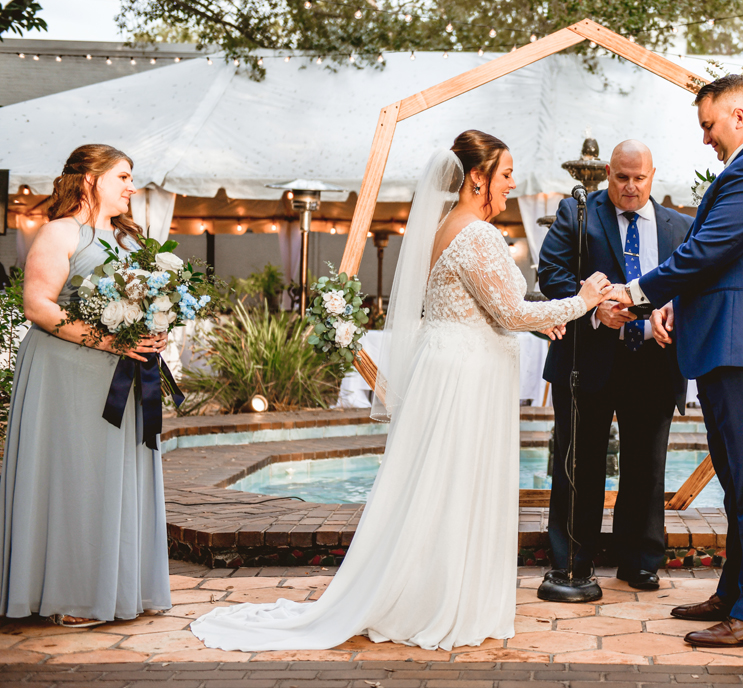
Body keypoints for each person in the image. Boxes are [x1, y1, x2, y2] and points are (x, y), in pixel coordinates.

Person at [191, 131, 613, 652]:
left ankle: (429, 587)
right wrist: (583, 299)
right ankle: (443, 601)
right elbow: (511, 311)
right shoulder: (478, 234)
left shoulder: (447, 228)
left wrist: (535, 322)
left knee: (439, 486)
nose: (510, 185)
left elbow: (487, 306)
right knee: (455, 483)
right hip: (466, 378)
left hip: (453, 368)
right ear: (477, 178)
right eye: (504, 175)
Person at [610, 74, 743, 648]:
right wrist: (676, 298)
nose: (705, 139)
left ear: (741, 117)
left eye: (709, 125)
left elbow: (707, 251)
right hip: (734, 344)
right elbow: (722, 262)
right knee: (738, 482)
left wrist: (637, 293)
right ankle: (736, 593)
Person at [0, 145, 171, 627]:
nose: (131, 187)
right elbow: (39, 306)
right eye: (123, 176)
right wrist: (113, 339)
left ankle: (123, 588)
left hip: (123, 375)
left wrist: (155, 329)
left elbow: (150, 300)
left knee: (116, 477)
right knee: (76, 475)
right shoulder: (59, 233)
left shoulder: (131, 242)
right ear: (91, 180)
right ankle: (71, 595)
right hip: (66, 376)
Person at [536, 140, 692, 596]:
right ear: (608, 171)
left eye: (639, 178)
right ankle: (570, 564)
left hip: (653, 361)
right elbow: (551, 274)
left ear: (653, 174)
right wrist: (594, 310)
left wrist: (673, 310)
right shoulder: (576, 213)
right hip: (589, 359)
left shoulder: (678, 226)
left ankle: (639, 561)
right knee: (578, 464)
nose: (629, 187)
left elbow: (690, 286)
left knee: (646, 467)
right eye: (621, 177)